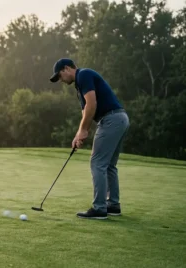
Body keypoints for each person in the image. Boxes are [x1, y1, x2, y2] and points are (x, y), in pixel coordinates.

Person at [49, 58, 130, 219]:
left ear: (66, 69)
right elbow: (86, 111)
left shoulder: (83, 75)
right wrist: (79, 134)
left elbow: (91, 104)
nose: (61, 81)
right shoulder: (80, 86)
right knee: (109, 165)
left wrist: (84, 130)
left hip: (111, 119)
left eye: (60, 76)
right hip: (119, 119)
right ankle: (113, 205)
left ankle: (99, 208)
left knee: (97, 163)